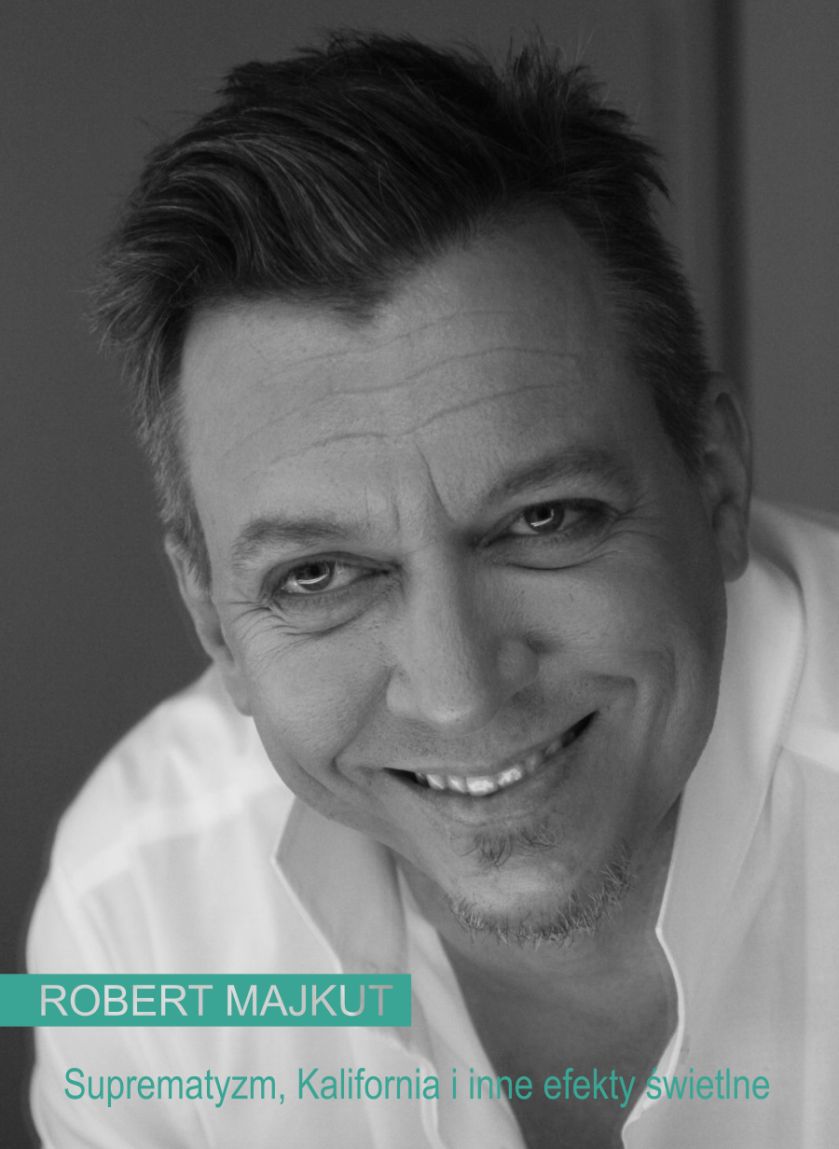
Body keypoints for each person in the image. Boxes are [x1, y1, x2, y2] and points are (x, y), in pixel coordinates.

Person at [27, 32, 839, 1149]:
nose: (458, 696)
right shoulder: (135, 924)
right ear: (212, 616)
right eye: (318, 576)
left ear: (713, 480)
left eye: (542, 520)